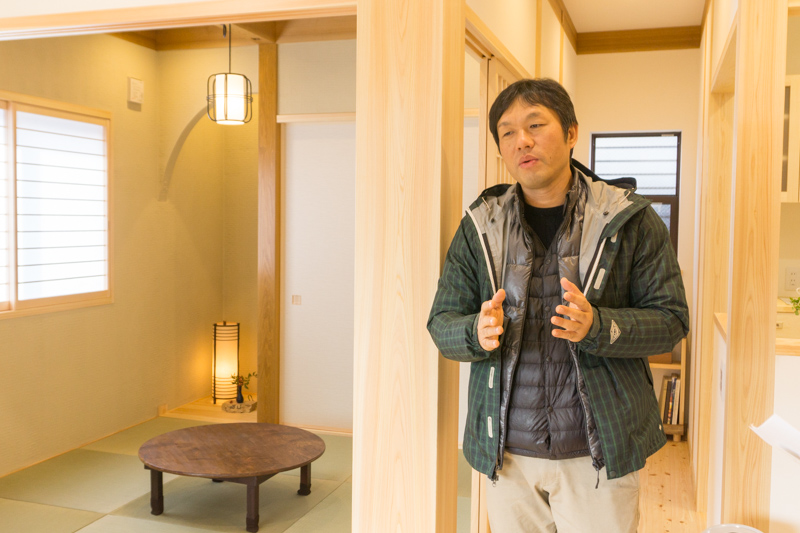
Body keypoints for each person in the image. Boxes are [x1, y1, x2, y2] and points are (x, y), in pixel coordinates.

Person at [427, 78, 689, 532]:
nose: (522, 141)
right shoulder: (479, 226)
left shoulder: (630, 220)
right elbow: (441, 321)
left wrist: (598, 326)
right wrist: (475, 332)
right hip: (507, 454)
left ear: (571, 133)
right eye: (508, 132)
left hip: (597, 454)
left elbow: (671, 319)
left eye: (535, 125)